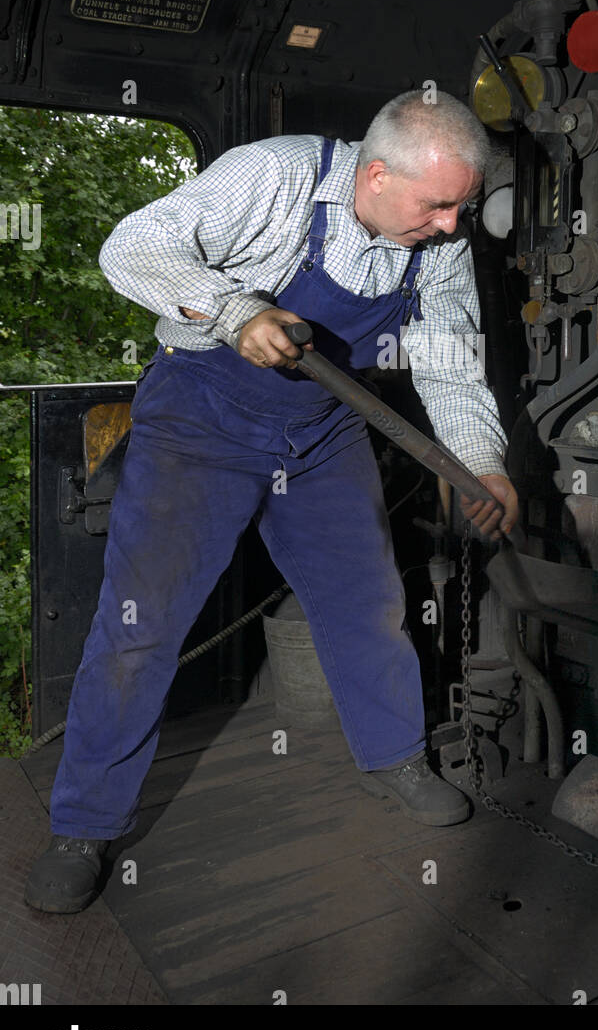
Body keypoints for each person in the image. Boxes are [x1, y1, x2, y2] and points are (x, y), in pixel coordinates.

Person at [25, 90, 518, 914]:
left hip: (324, 429)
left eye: (459, 206)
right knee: (139, 626)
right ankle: (83, 825)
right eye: (437, 205)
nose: (449, 225)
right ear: (374, 174)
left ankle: (395, 756)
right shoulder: (275, 175)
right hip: (199, 422)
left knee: (369, 604)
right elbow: (131, 245)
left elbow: (448, 363)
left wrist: (482, 464)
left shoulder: (436, 245)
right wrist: (231, 310)